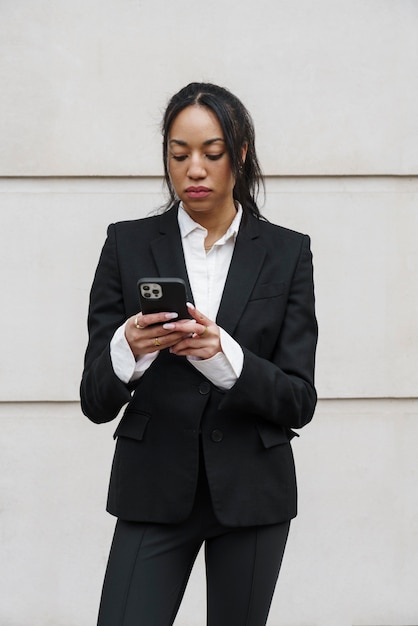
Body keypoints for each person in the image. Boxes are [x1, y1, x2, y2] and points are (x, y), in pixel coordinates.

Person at [80, 82, 318, 626]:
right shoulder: (127, 244)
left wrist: (224, 355)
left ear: (240, 154)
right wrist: (129, 349)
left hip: (253, 492)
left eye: (211, 154)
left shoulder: (287, 252)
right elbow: (94, 398)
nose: (194, 170)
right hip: (154, 485)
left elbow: (299, 399)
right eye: (178, 154)